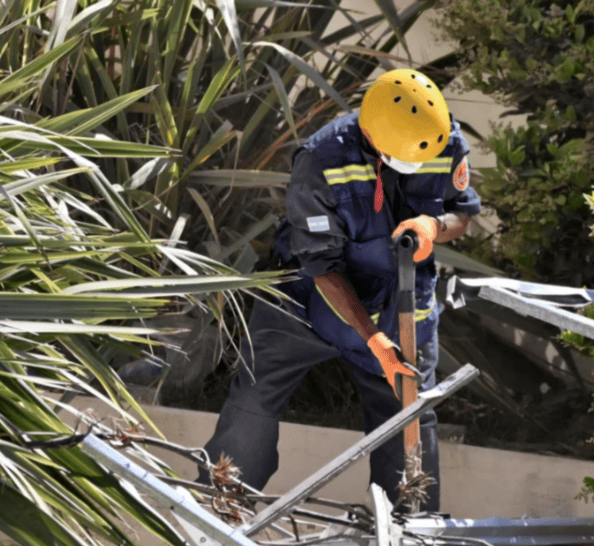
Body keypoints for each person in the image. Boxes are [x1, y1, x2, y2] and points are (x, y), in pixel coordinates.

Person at [199, 68, 481, 512]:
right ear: (371, 135)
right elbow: (322, 266)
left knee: (408, 420)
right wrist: (373, 342)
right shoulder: (322, 159)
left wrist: (434, 226)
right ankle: (219, 515)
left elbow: (461, 213)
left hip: (401, 299)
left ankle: (408, 532)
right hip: (308, 294)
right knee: (252, 405)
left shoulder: (442, 139)